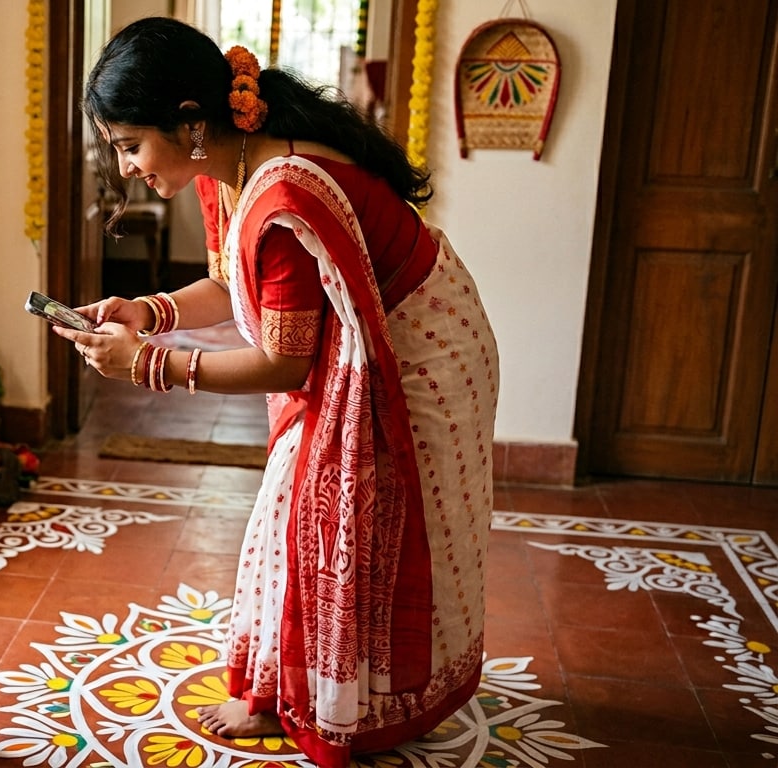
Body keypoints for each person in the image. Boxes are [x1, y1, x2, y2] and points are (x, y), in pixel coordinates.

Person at [56, 17, 499, 766]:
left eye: (131, 144)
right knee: (305, 513)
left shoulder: (281, 195)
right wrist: (150, 314)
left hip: (420, 352)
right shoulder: (230, 169)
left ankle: (347, 701)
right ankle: (296, 689)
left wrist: (147, 365)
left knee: (341, 520)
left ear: (190, 123)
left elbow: (283, 363)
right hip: (397, 331)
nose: (127, 166)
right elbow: (235, 283)